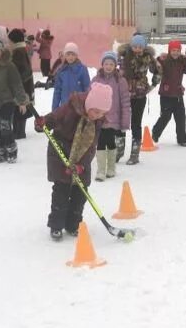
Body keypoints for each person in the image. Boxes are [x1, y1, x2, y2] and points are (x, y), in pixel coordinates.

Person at [34, 82, 112, 241]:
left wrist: (82, 166)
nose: (97, 115)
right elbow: (52, 118)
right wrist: (42, 124)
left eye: (101, 113)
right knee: (61, 192)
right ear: (89, 104)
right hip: (60, 151)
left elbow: (91, 146)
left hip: (82, 158)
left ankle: (73, 224)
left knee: (80, 193)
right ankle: (56, 225)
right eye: (95, 111)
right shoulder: (71, 107)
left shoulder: (97, 121)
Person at [117, 34, 160, 165]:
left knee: (136, 123)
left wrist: (153, 84)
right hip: (124, 94)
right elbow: (115, 71)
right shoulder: (123, 57)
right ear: (131, 46)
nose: (137, 49)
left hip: (140, 95)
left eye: (140, 47)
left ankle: (134, 153)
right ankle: (118, 150)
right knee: (121, 123)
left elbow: (158, 70)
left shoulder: (148, 58)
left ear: (144, 47)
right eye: (135, 46)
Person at [91, 51, 130, 181]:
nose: (108, 66)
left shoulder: (120, 80)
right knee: (100, 142)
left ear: (115, 65)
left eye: (111, 64)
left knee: (110, 141)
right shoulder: (96, 80)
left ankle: (111, 168)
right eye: (106, 64)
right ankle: (101, 170)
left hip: (113, 118)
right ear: (102, 65)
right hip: (99, 117)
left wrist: (125, 122)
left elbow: (125, 101)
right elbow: (90, 98)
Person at [152, 40, 186, 146]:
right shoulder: (164, 60)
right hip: (166, 94)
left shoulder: (182, 61)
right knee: (165, 116)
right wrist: (158, 60)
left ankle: (182, 139)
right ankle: (155, 133)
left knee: (181, 117)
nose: (175, 53)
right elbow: (154, 70)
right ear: (169, 50)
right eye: (173, 50)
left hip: (178, 94)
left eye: (177, 50)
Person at [8, 28, 35, 139]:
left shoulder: (17, 53)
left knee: (19, 111)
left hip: (22, 88)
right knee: (20, 112)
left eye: (9, 41)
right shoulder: (22, 50)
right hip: (25, 87)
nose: (8, 43)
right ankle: (20, 132)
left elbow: (20, 73)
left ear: (13, 41)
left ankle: (18, 133)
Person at [52, 42, 90, 110]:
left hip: (79, 107)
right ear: (65, 55)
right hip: (65, 106)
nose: (70, 57)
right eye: (68, 54)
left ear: (76, 55)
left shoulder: (82, 69)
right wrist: (55, 109)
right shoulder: (61, 70)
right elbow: (57, 91)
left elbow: (87, 88)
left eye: (73, 54)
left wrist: (87, 107)